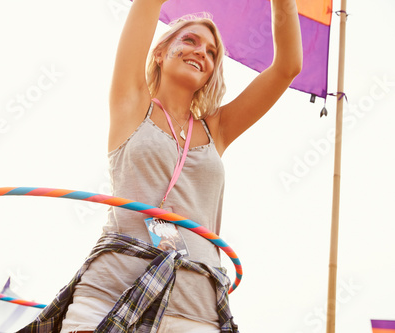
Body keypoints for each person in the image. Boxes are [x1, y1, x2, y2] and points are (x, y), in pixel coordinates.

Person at [18, 0, 302, 332]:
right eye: (190, 41)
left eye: (211, 52)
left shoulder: (218, 129)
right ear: (159, 53)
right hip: (111, 294)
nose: (201, 52)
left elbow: (288, 67)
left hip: (196, 312)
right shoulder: (131, 104)